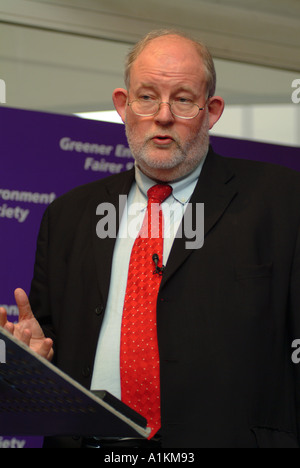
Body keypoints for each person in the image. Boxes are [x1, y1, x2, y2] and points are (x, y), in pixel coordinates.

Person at [1, 29, 300, 448]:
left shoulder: (281, 200)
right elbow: (50, 341)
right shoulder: (68, 215)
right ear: (123, 105)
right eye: (146, 96)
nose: (162, 115)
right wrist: (33, 359)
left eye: (182, 98)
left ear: (211, 111)